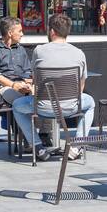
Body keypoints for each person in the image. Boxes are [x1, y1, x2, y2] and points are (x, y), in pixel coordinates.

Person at [12, 13, 94, 161]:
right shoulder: (79, 53)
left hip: (43, 107)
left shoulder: (39, 51)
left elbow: (36, 80)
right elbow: (81, 85)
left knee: (17, 106)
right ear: (67, 31)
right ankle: (76, 146)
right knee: (91, 103)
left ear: (52, 32)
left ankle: (37, 146)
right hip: (71, 106)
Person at [0, 17, 33, 124]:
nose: (22, 34)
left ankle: (42, 133)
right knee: (27, 101)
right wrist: (14, 85)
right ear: (10, 33)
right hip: (3, 88)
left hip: (22, 85)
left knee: (44, 98)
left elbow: (28, 72)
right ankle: (29, 136)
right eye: (19, 31)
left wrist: (28, 83)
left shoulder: (21, 50)